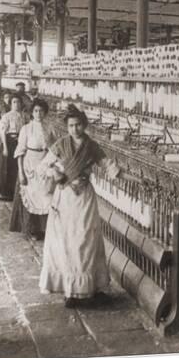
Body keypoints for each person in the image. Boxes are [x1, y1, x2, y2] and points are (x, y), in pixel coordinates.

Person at [38, 104, 140, 308]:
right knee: (66, 242)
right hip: (65, 198)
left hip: (84, 199)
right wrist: (55, 173)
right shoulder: (60, 145)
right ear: (66, 127)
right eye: (71, 125)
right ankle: (70, 291)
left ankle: (89, 289)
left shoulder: (92, 146)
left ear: (84, 125)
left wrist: (136, 180)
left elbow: (110, 168)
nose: (74, 129)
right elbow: (42, 166)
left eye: (78, 125)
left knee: (85, 240)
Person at [9, 99, 56, 240]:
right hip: (30, 163)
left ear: (45, 112)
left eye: (41, 111)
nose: (38, 114)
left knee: (45, 196)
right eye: (36, 111)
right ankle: (32, 229)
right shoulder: (26, 129)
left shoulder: (50, 128)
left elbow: (55, 149)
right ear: (31, 112)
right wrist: (21, 172)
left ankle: (44, 229)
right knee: (30, 195)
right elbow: (20, 152)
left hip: (45, 164)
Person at [0, 94, 27, 200]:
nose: (17, 104)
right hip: (9, 142)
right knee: (7, 167)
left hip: (20, 142)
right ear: (10, 104)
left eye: (18, 102)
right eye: (14, 102)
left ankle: (15, 192)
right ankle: (4, 193)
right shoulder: (7, 116)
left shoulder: (24, 116)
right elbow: (2, 132)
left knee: (17, 167)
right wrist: (5, 147)